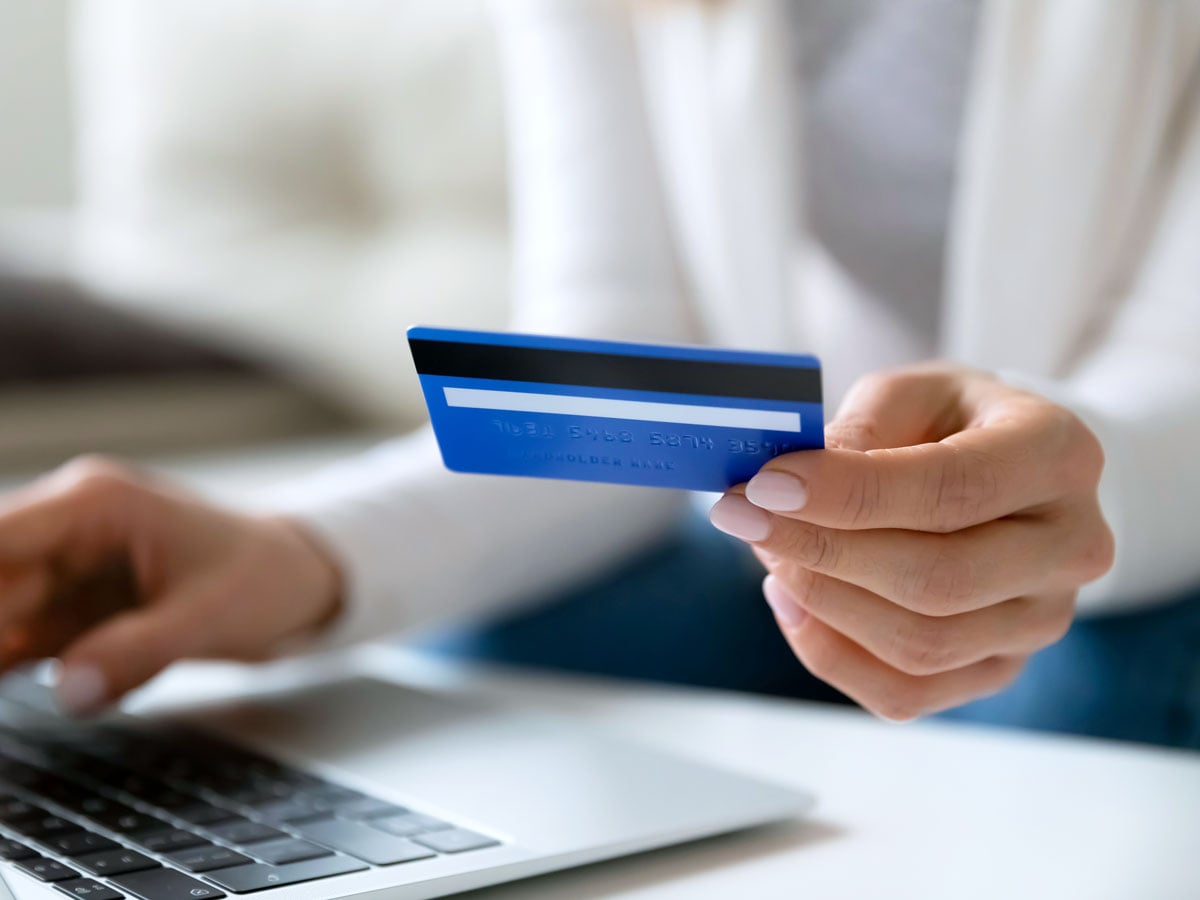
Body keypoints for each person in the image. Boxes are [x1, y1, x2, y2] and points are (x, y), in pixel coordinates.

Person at [0, 0, 1197, 746]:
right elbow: (633, 365)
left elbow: (1175, 377)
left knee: (1081, 695)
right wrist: (298, 555)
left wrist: (1057, 511)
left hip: (1150, 510)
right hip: (821, 506)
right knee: (484, 660)